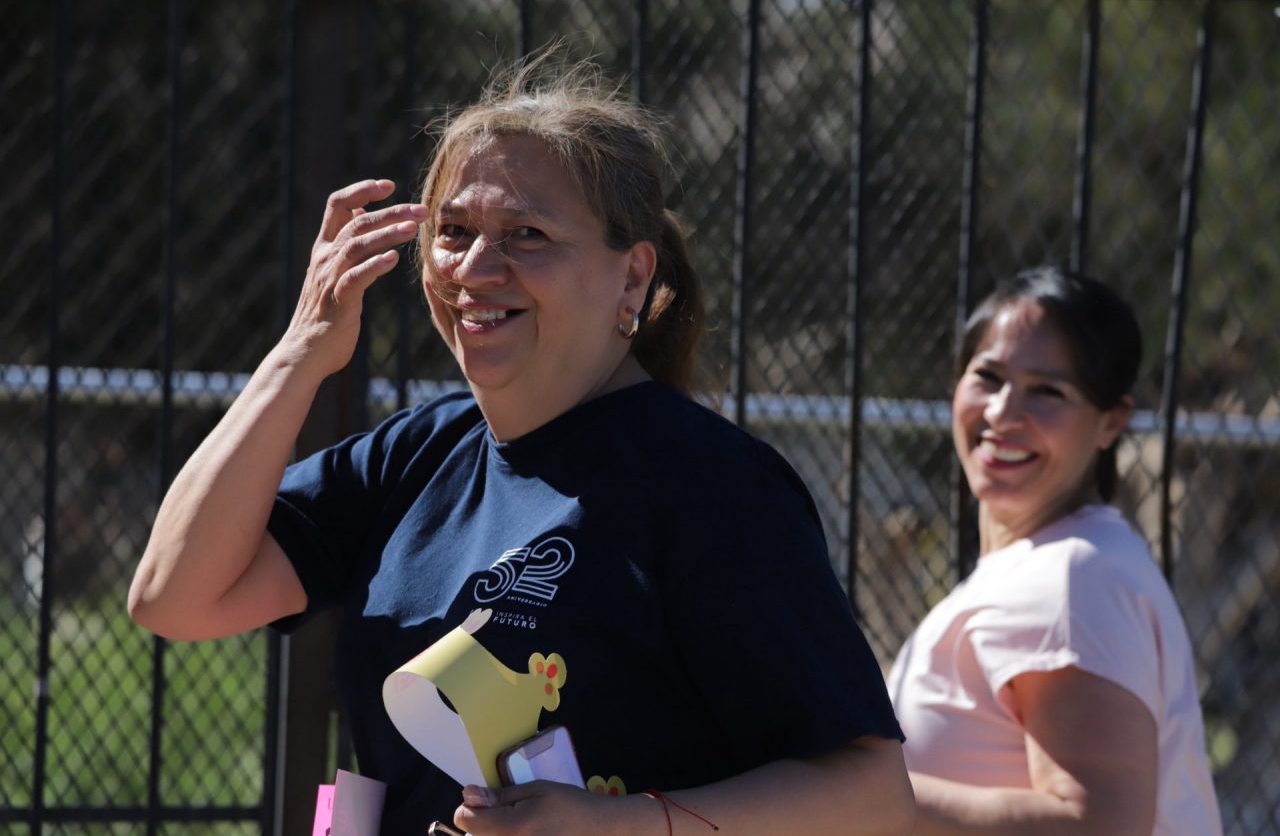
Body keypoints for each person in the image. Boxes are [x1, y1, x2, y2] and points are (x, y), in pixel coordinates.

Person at [129, 53, 913, 835]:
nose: (475, 268)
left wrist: (618, 826)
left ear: (632, 277)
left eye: (527, 235)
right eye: (453, 231)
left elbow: (874, 797)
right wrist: (300, 352)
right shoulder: (413, 456)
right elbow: (175, 595)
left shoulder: (711, 484)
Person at [887, 267, 1221, 835]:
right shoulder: (1060, 564)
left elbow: (1097, 825)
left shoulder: (1071, 579)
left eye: (1048, 391)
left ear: (1111, 422)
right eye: (988, 376)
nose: (1003, 413)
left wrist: (862, 796)